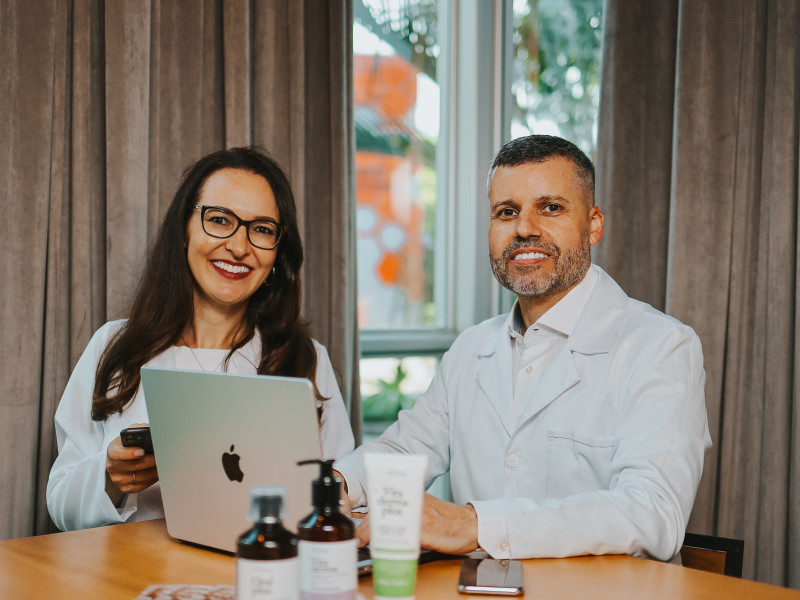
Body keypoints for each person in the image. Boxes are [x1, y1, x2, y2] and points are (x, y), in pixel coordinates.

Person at [334, 135, 711, 562]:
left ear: (593, 224)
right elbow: (404, 451)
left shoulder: (661, 347)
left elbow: (652, 512)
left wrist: (475, 525)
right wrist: (338, 484)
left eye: (550, 207)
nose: (525, 228)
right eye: (506, 212)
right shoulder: (471, 348)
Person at [47, 147, 355, 531]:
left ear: (277, 253)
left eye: (261, 229)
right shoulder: (114, 346)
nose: (239, 247)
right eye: (220, 220)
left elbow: (344, 489)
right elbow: (60, 506)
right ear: (184, 230)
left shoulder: (306, 360)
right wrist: (109, 477)